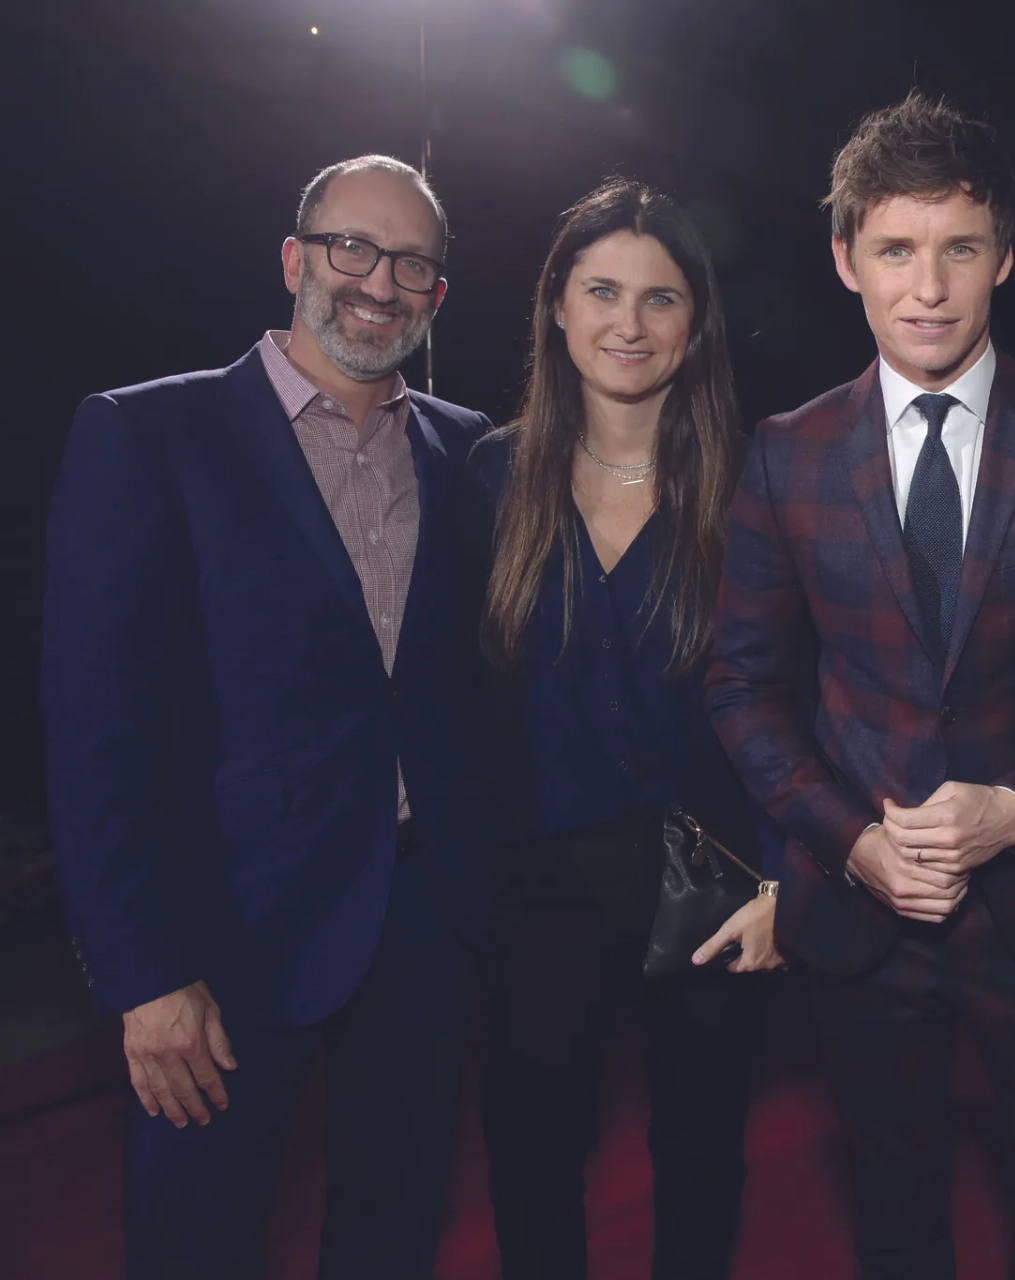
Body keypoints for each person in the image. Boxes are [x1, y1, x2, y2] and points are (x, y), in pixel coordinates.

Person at [705, 92, 1015, 1280]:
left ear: (1004, 255)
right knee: (892, 1211)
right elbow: (743, 686)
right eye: (896, 249)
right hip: (864, 922)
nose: (928, 286)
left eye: (959, 248)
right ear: (845, 259)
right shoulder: (787, 451)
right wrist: (849, 843)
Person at [42, 155, 490, 1277]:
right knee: (198, 1240)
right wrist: (143, 973)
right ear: (295, 258)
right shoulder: (147, 435)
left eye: (412, 263)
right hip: (223, 945)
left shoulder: (470, 450)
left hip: (422, 926)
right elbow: (98, 732)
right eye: (353, 247)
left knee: (393, 1229)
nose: (378, 282)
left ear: (437, 293)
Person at [461, 177, 781, 1280]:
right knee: (533, 1158)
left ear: (695, 329)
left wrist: (786, 878)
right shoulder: (490, 476)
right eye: (602, 290)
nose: (628, 323)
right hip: (536, 884)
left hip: (711, 880)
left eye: (660, 298)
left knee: (701, 1152)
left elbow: (801, 696)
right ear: (557, 305)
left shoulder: (753, 484)